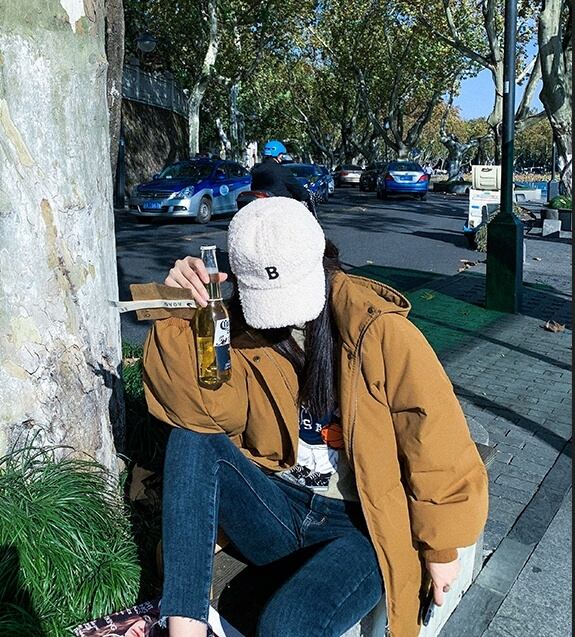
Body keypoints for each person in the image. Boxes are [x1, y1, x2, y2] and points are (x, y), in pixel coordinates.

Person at [141, 197, 488, 637]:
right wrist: (181, 309)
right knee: (192, 439)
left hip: (361, 526)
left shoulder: (378, 329)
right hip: (278, 507)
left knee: (285, 626)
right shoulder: (240, 324)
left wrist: (441, 548)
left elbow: (433, 433)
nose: (281, 317)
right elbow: (203, 413)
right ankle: (185, 628)